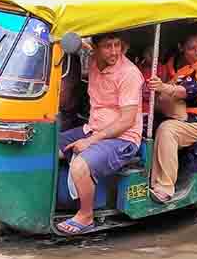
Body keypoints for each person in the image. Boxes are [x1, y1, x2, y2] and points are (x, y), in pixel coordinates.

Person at [57, 33, 143, 234]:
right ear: (95, 48)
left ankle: (86, 215)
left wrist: (90, 141)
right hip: (92, 128)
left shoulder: (129, 73)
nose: (114, 51)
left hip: (123, 138)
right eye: (107, 46)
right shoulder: (94, 59)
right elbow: (81, 44)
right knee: (44, 148)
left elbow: (127, 121)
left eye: (117, 45)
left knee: (80, 165)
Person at [147, 33, 197, 203]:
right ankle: (151, 180)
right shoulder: (181, 67)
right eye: (192, 48)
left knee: (167, 130)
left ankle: (165, 187)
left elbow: (190, 90)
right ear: (182, 48)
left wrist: (163, 87)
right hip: (182, 116)